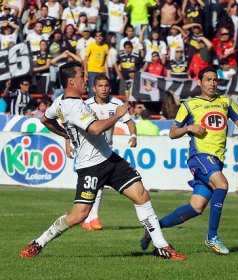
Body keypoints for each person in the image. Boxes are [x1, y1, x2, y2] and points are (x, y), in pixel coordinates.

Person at [19, 61, 186, 261]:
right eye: (82, 75)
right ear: (71, 80)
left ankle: (161, 246)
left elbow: (45, 120)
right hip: (90, 167)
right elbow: (96, 129)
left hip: (109, 158)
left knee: (141, 195)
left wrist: (66, 135)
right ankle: (38, 243)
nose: (85, 79)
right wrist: (116, 116)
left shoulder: (60, 102)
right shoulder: (75, 106)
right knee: (78, 216)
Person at [139, 66, 238, 254]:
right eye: (208, 79)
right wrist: (189, 128)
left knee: (196, 207)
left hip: (216, 159)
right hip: (200, 157)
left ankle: (154, 228)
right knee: (222, 184)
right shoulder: (189, 105)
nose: (212, 83)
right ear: (199, 82)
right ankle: (212, 237)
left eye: (215, 80)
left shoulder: (226, 102)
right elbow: (173, 133)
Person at [74, 74, 137, 230]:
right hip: (88, 150)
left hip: (106, 149)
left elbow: (129, 122)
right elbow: (72, 126)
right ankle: (90, 218)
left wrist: (133, 136)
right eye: (100, 86)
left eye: (106, 86)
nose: (103, 89)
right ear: (94, 88)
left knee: (99, 183)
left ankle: (91, 218)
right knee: (96, 184)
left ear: (110, 87)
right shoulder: (86, 104)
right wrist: (68, 143)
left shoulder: (116, 104)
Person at [84, 30, 109, 97]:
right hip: (92, 70)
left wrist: (107, 73)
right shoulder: (91, 45)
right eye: (97, 36)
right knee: (92, 90)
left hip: (102, 71)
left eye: (100, 35)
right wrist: (85, 71)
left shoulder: (105, 46)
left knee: (102, 90)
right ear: (95, 37)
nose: (99, 37)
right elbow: (86, 59)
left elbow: (106, 61)